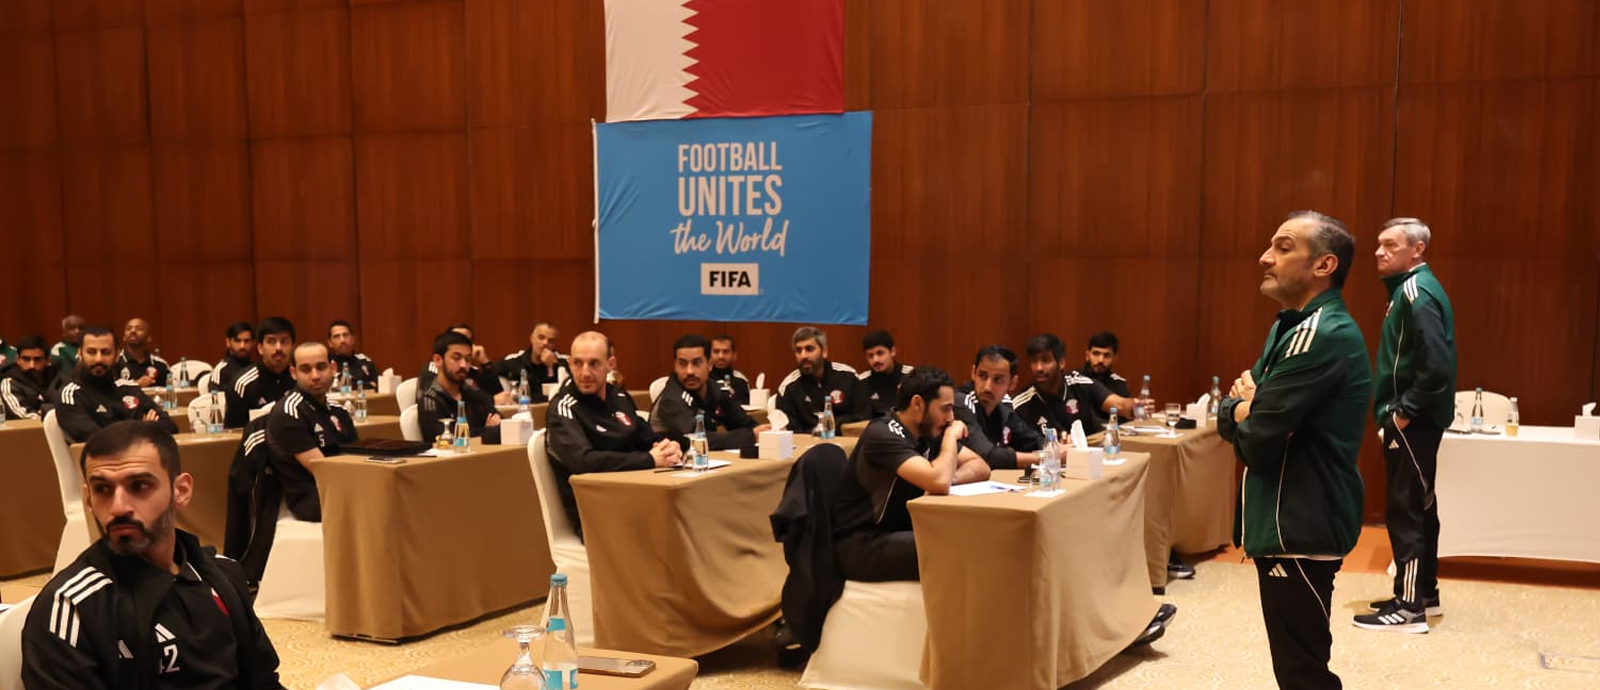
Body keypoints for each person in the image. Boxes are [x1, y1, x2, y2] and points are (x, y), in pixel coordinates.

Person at [1217, 210, 1370, 690]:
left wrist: (1247, 409)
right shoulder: (1291, 325)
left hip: (1300, 519)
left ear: (1324, 265)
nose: (1265, 257)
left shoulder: (1319, 333)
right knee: (1298, 665)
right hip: (1291, 516)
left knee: (1303, 672)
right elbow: (1237, 411)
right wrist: (1243, 408)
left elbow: (1256, 442)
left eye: (1283, 248)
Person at [23, 421, 285, 689]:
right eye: (103, 489)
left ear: (181, 491)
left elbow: (264, 681)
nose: (118, 507)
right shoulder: (71, 608)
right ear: (88, 499)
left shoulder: (221, 574)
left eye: (139, 486)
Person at [1354, 217, 1456, 633]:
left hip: (1412, 420)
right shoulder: (1412, 289)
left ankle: (1408, 607)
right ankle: (1424, 594)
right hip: (1417, 419)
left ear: (1417, 249)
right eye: (1378, 244)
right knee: (1422, 506)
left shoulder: (1415, 292)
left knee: (1406, 509)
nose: (1379, 252)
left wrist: (1403, 411)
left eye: (1391, 245)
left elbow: (1436, 366)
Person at [832, 366, 992, 583]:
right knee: (957, 545)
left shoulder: (927, 431)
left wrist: (948, 476)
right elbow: (939, 481)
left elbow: (980, 466)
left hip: (898, 532)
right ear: (918, 404)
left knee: (976, 534)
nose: (951, 418)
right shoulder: (882, 434)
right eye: (945, 409)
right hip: (863, 545)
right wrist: (949, 443)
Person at [545, 331, 681, 539]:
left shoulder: (618, 396)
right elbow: (583, 462)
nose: (585, 372)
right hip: (596, 514)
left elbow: (645, 437)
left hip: (636, 496)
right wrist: (649, 460)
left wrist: (668, 446)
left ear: (610, 364)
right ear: (570, 364)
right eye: (578, 363)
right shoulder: (563, 407)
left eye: (594, 363)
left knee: (688, 512)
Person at [262, 342, 358, 522]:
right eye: (305, 370)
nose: (315, 376)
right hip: (312, 498)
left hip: (344, 486)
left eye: (321, 367)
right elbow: (323, 470)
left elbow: (357, 456)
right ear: (293, 373)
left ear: (333, 368)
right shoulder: (288, 412)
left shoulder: (338, 410)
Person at [53, 326, 179, 442]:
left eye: (105, 352)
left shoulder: (129, 388)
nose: (98, 359)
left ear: (117, 355)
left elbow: (170, 426)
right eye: (91, 352)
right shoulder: (71, 394)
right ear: (80, 354)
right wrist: (143, 428)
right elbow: (98, 440)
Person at [651, 334, 767, 450]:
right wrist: (751, 436)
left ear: (710, 365)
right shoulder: (671, 400)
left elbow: (743, 422)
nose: (689, 371)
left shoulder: (714, 388)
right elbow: (696, 440)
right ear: (675, 366)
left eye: (697, 363)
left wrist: (764, 432)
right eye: (683, 364)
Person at [1012, 334, 1144, 436]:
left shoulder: (1080, 384)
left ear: (1061, 363)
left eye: (1046, 360)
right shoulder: (1021, 405)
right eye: (1034, 362)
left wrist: (1135, 407)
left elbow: (1120, 405)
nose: (1039, 368)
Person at [954, 345, 1043, 470]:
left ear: (1012, 383)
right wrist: (1045, 458)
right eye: (983, 376)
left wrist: (1056, 448)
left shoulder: (1004, 404)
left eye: (998, 380)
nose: (987, 387)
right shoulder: (961, 402)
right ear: (973, 373)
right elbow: (987, 456)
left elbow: (1033, 441)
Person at [775, 327, 870, 433]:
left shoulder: (848, 377)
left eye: (809, 349)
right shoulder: (788, 388)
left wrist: (837, 425)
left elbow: (864, 418)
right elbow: (790, 433)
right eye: (798, 350)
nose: (803, 356)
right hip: (807, 442)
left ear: (824, 351)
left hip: (846, 440)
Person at [418, 330, 503, 445]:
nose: (463, 365)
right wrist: (488, 431)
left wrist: (488, 431)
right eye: (456, 358)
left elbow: (502, 424)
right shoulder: (430, 399)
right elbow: (447, 441)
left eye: (468, 359)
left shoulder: (472, 393)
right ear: (438, 360)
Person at [226, 317, 297, 429]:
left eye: (284, 341)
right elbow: (234, 432)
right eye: (271, 341)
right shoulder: (242, 384)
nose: (278, 348)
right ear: (260, 348)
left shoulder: (301, 379)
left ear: (292, 347)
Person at [417, 323, 508, 403]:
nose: (461, 344)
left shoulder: (471, 370)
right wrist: (490, 400)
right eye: (456, 339)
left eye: (466, 341)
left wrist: (485, 363)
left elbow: (499, 395)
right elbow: (439, 396)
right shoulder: (433, 367)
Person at [497, 322, 569, 402]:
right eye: (541, 337)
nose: (545, 343)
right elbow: (491, 373)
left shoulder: (563, 363)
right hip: (524, 407)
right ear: (532, 338)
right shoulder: (517, 362)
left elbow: (571, 385)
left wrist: (555, 365)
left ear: (555, 344)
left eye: (551, 341)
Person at [858, 329, 914, 418]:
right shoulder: (861, 382)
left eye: (880, 353)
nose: (875, 360)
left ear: (892, 351)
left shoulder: (912, 376)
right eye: (870, 356)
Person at [2, 334, 55, 420]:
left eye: (37, 359)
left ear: (48, 360)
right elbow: (22, 415)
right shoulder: (10, 382)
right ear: (17, 360)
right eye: (26, 359)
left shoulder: (58, 378)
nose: (31, 365)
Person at [116, 317, 170, 387]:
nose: (133, 331)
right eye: (128, 329)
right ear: (124, 337)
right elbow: (108, 390)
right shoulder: (115, 362)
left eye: (139, 329)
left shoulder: (160, 364)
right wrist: (137, 384)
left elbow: (171, 389)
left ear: (148, 338)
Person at [326, 320, 379, 388]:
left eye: (345, 335)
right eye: (337, 336)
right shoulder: (327, 363)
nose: (342, 340)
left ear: (353, 339)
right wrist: (369, 384)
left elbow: (379, 384)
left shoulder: (364, 360)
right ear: (330, 343)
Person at [1080, 331, 1131, 398]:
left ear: (1114, 359)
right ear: (1087, 355)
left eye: (1107, 355)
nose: (1101, 360)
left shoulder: (1119, 384)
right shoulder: (1072, 380)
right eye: (1096, 354)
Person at [209, 321, 256, 393]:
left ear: (252, 343)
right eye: (237, 341)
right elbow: (214, 397)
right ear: (228, 342)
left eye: (246, 341)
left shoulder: (256, 367)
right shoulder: (221, 370)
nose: (242, 346)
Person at [708, 334, 751, 405]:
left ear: (734, 355)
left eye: (725, 352)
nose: (721, 356)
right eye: (716, 351)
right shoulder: (702, 378)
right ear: (709, 355)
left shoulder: (741, 381)